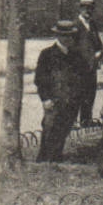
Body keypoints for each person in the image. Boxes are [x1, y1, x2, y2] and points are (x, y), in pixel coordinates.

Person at [35, 19, 88, 162]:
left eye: (70, 36)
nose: (68, 38)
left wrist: (79, 97)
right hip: (54, 101)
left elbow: (83, 76)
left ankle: (56, 159)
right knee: (50, 129)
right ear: (57, 35)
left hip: (71, 101)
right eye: (64, 35)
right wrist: (45, 99)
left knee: (64, 129)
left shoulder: (76, 55)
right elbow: (40, 79)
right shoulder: (47, 54)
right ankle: (44, 160)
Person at [72, 0, 103, 126]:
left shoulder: (92, 25)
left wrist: (99, 53)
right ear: (80, 9)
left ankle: (86, 120)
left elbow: (98, 44)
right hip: (79, 67)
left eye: (90, 8)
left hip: (91, 66)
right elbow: (72, 47)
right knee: (77, 94)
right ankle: (72, 122)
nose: (88, 11)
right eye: (85, 8)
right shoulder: (75, 25)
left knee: (90, 94)